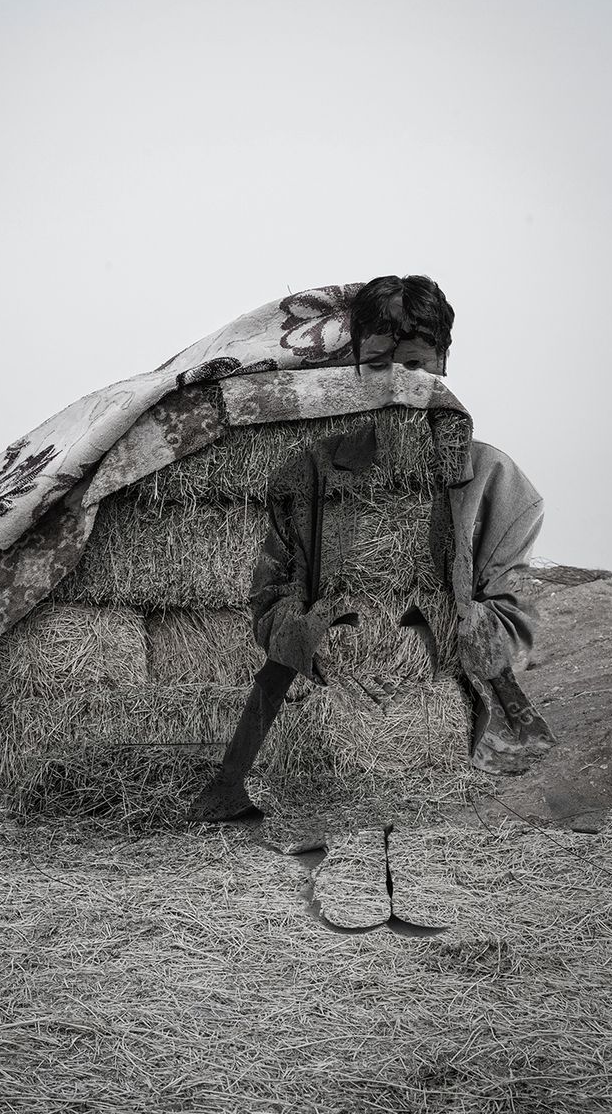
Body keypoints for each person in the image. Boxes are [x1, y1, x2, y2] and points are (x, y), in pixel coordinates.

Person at [190, 274, 554, 823]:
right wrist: (319, 636)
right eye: (378, 365)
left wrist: (421, 636)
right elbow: (269, 602)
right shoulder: (306, 474)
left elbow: (514, 623)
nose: (396, 383)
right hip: (322, 724)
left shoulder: (495, 483)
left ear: (443, 363)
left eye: (414, 365)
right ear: (355, 368)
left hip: (436, 730)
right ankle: (232, 785)